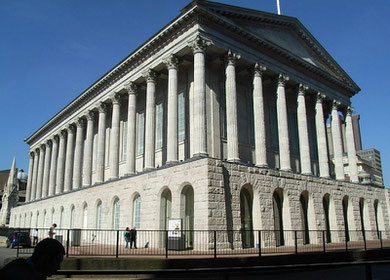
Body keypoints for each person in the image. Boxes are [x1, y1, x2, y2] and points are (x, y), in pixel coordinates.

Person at [0, 238, 65, 280]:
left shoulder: (20, 266)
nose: (58, 267)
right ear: (45, 259)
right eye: (57, 262)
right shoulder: (22, 274)